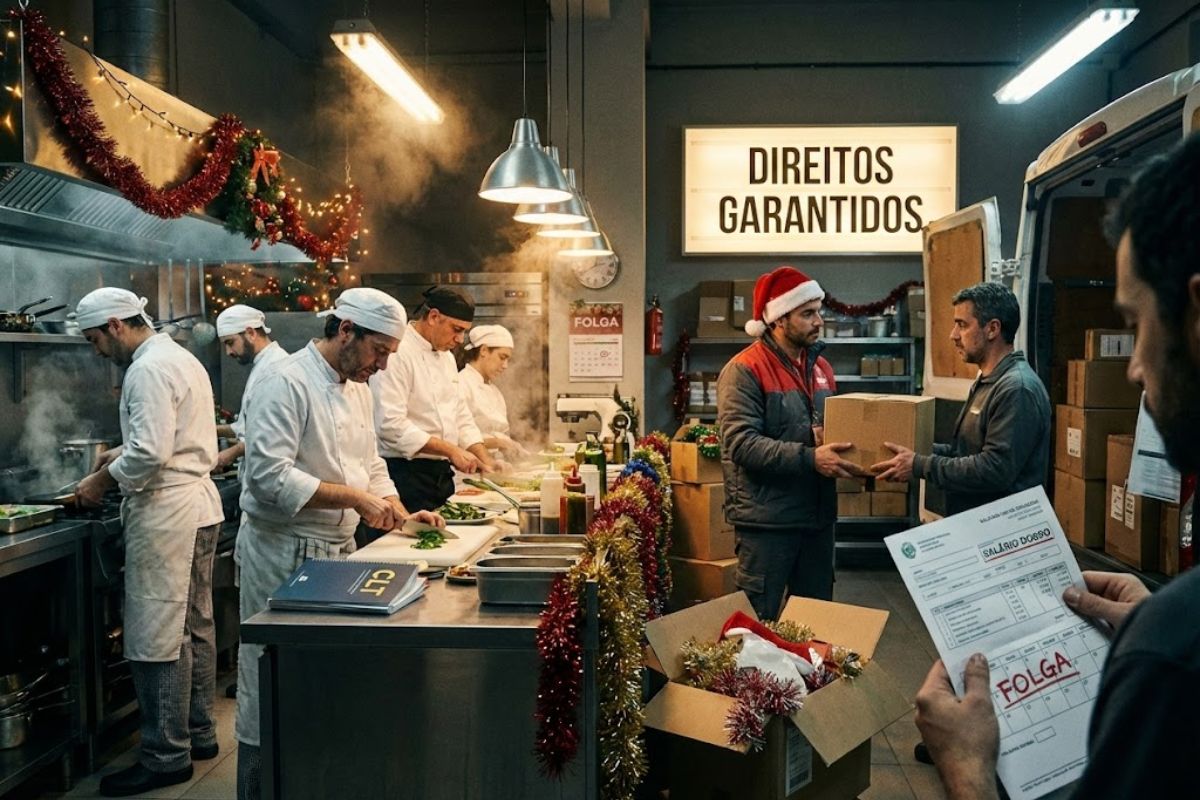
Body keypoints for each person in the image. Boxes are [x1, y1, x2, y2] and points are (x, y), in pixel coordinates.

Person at [915, 134, 1200, 799]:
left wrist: (969, 775)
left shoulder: (1172, 660)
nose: (1133, 369)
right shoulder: (1169, 639)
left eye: (1137, 323)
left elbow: (993, 469)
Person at [234, 288, 443, 800]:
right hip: (283, 552)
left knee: (324, 684)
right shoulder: (286, 382)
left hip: (338, 551)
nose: (382, 365)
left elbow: (370, 463)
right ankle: (258, 789)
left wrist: (398, 510)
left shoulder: (358, 387)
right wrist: (355, 498)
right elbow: (269, 478)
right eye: (379, 351)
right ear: (345, 330)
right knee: (271, 683)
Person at [74, 288, 225, 797]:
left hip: (168, 514)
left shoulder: (146, 369)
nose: (97, 350)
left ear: (116, 325)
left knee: (158, 634)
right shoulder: (177, 357)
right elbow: (170, 435)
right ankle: (199, 734)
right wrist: (121, 451)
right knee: (194, 627)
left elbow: (152, 453)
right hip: (198, 508)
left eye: (95, 339)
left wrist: (101, 480)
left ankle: (165, 757)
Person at [717, 266, 863, 619]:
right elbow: (741, 443)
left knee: (814, 622)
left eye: (819, 312)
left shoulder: (822, 368)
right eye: (807, 313)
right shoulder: (745, 369)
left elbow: (819, 428)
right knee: (757, 624)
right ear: (779, 319)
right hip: (768, 523)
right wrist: (810, 458)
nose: (819, 321)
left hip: (817, 519)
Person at [871, 282, 1051, 516]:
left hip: (1002, 528)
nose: (953, 335)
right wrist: (916, 450)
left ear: (992, 329)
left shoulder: (1017, 388)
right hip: (977, 523)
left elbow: (994, 469)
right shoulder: (989, 381)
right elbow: (963, 453)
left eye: (962, 325)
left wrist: (919, 464)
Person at [370, 285, 496, 516]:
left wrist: (485, 459)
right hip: (405, 476)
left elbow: (460, 414)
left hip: (441, 477)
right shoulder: (398, 353)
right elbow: (389, 425)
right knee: (413, 539)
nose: (460, 339)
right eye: (456, 329)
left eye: (464, 332)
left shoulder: (447, 358)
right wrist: (451, 450)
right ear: (433, 317)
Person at [212, 304, 288, 473]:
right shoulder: (262, 365)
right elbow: (244, 428)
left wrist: (229, 454)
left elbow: (271, 433)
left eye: (230, 343)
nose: (228, 352)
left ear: (251, 333)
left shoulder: (276, 369)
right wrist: (209, 430)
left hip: (270, 475)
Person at [458, 324, 527, 462]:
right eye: (502, 357)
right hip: (469, 468)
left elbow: (502, 434)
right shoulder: (461, 384)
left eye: (508, 360)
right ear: (484, 350)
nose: (505, 366)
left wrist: (513, 446)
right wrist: (499, 443)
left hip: (496, 465)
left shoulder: (495, 392)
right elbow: (458, 437)